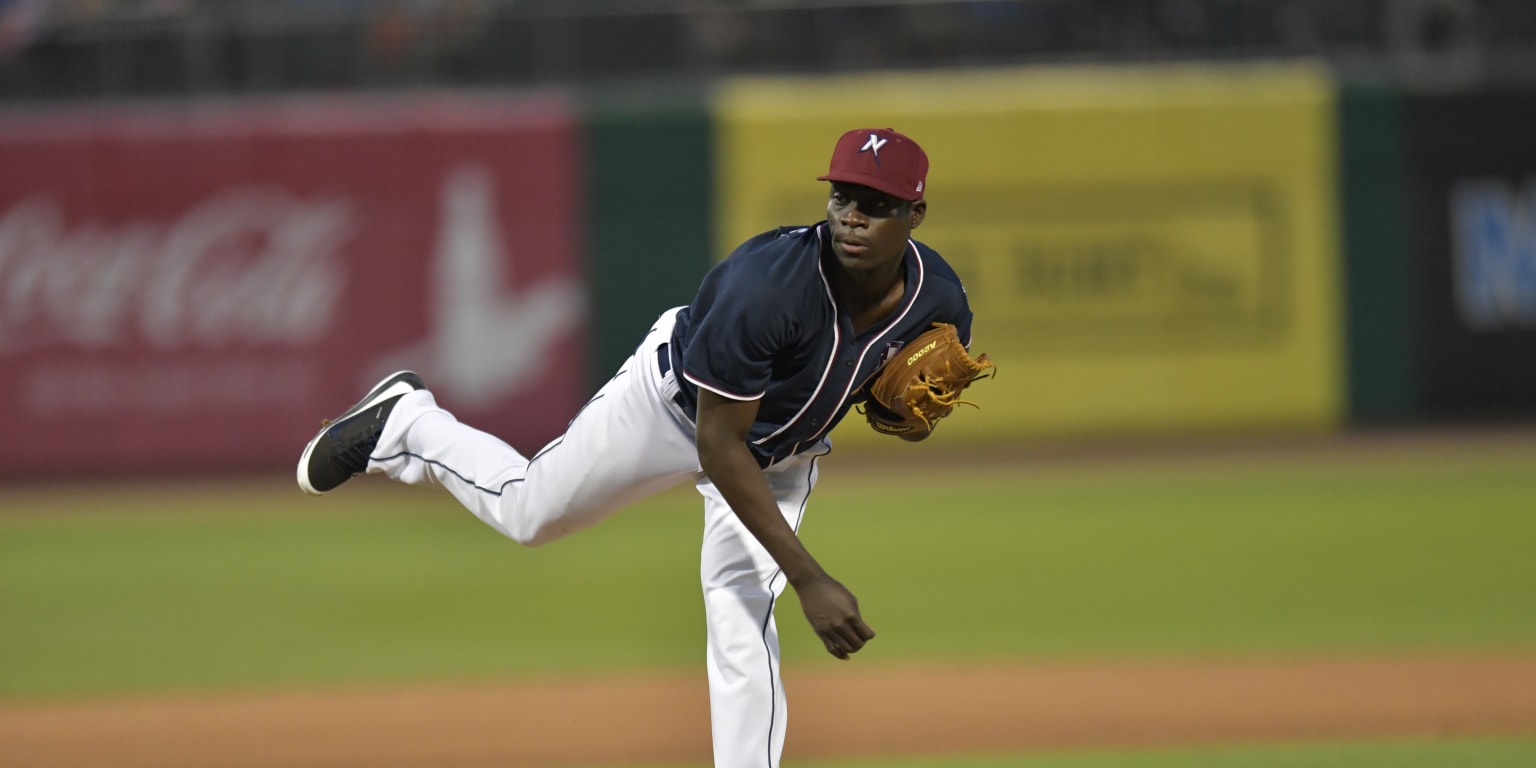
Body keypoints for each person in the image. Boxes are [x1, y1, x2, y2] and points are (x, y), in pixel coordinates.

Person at [296, 127, 976, 767]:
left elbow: (901, 404)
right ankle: (406, 422)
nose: (852, 217)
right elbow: (720, 445)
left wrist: (908, 419)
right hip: (674, 410)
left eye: (876, 205)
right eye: (842, 197)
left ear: (915, 214)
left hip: (785, 453)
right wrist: (808, 576)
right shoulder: (766, 288)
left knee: (741, 614)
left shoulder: (939, 297)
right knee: (530, 513)